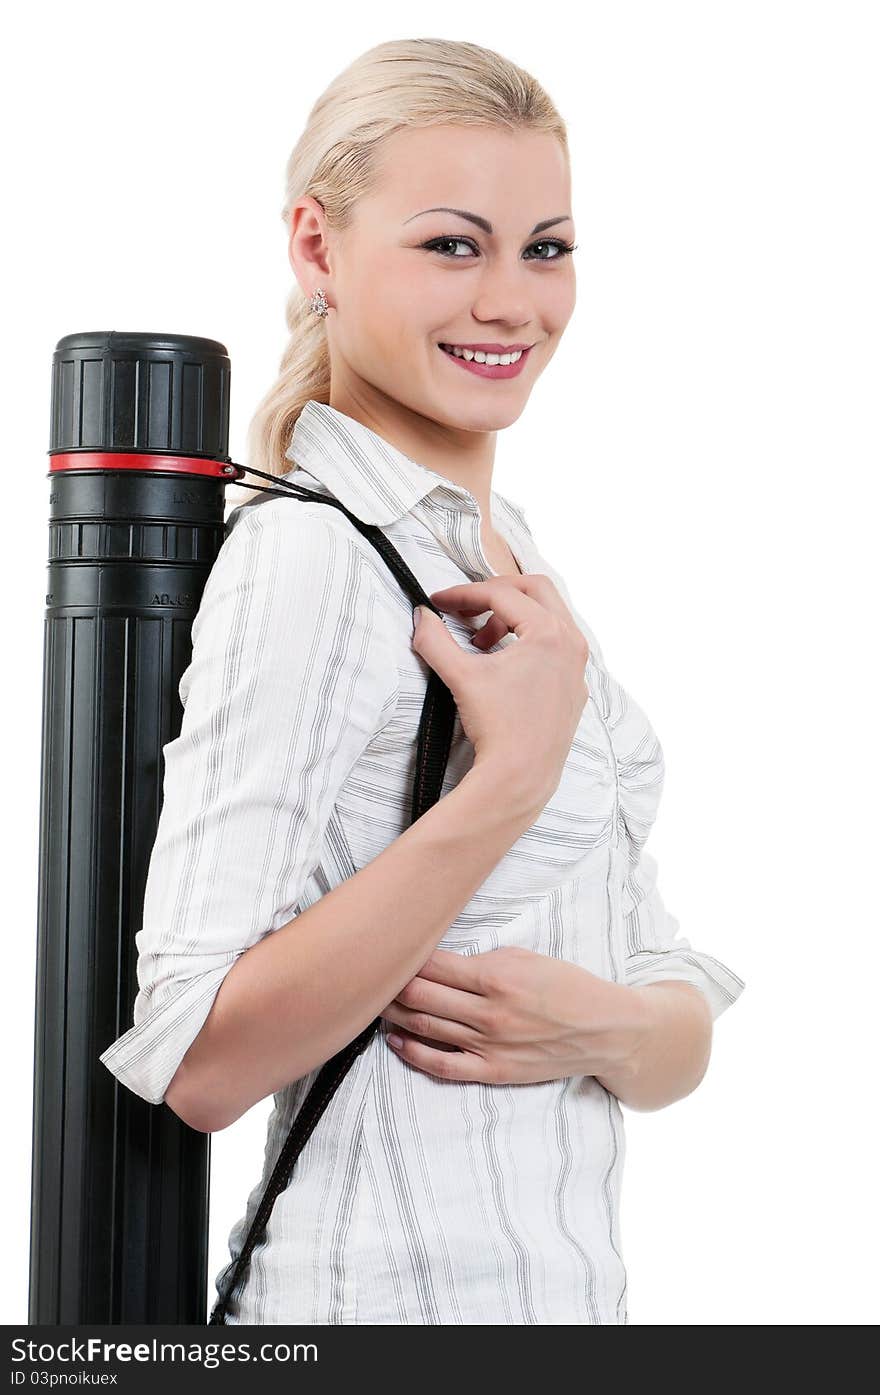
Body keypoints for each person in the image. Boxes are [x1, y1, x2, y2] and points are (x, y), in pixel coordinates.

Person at [98, 36, 745, 1326]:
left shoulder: (500, 561)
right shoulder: (314, 557)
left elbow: (667, 993)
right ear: (317, 249)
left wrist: (612, 1033)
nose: (513, 301)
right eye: (454, 245)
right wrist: (504, 781)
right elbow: (198, 1055)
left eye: (545, 248)